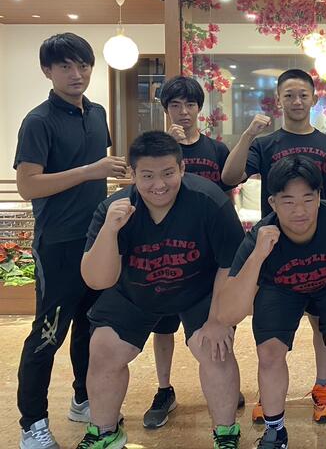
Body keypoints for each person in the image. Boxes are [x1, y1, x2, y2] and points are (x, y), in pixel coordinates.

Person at [77, 131, 244, 449]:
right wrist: (110, 231)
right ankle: (105, 432)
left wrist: (218, 319)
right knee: (103, 348)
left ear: (182, 168)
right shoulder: (115, 209)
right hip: (134, 291)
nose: (159, 185)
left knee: (215, 348)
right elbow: (97, 280)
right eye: (147, 176)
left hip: (199, 290)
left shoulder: (209, 201)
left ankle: (226, 433)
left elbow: (230, 264)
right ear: (133, 174)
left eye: (168, 173)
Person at [222, 68, 326, 423]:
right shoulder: (265, 144)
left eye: (303, 95)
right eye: (289, 95)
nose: (296, 101)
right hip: (279, 249)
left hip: (323, 249)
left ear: (314, 99)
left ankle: (323, 387)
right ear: (278, 100)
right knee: (270, 334)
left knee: (323, 327)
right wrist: (249, 134)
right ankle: (271, 399)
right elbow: (230, 177)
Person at [15, 33, 126, 449]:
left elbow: (98, 172)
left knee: (91, 327)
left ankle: (83, 399)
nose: (76, 74)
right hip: (58, 245)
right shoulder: (38, 121)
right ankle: (32, 424)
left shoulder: (96, 113)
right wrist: (90, 170)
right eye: (65, 66)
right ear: (48, 70)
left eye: (83, 65)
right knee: (47, 335)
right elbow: (28, 185)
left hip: (96, 241)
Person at [217, 155, 326, 449]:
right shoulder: (259, 236)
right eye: (288, 201)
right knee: (269, 353)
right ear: (273, 203)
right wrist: (258, 255)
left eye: (308, 199)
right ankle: (275, 432)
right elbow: (228, 314)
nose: (299, 211)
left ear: (320, 197)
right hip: (281, 288)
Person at [140, 75, 242, 429]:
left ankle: (225, 382)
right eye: (175, 105)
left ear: (200, 108)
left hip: (210, 254)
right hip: (166, 252)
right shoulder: (157, 153)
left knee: (221, 321)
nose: (183, 112)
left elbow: (228, 195)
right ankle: (164, 389)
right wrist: (169, 145)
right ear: (165, 109)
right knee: (163, 325)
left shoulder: (216, 150)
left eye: (190, 105)